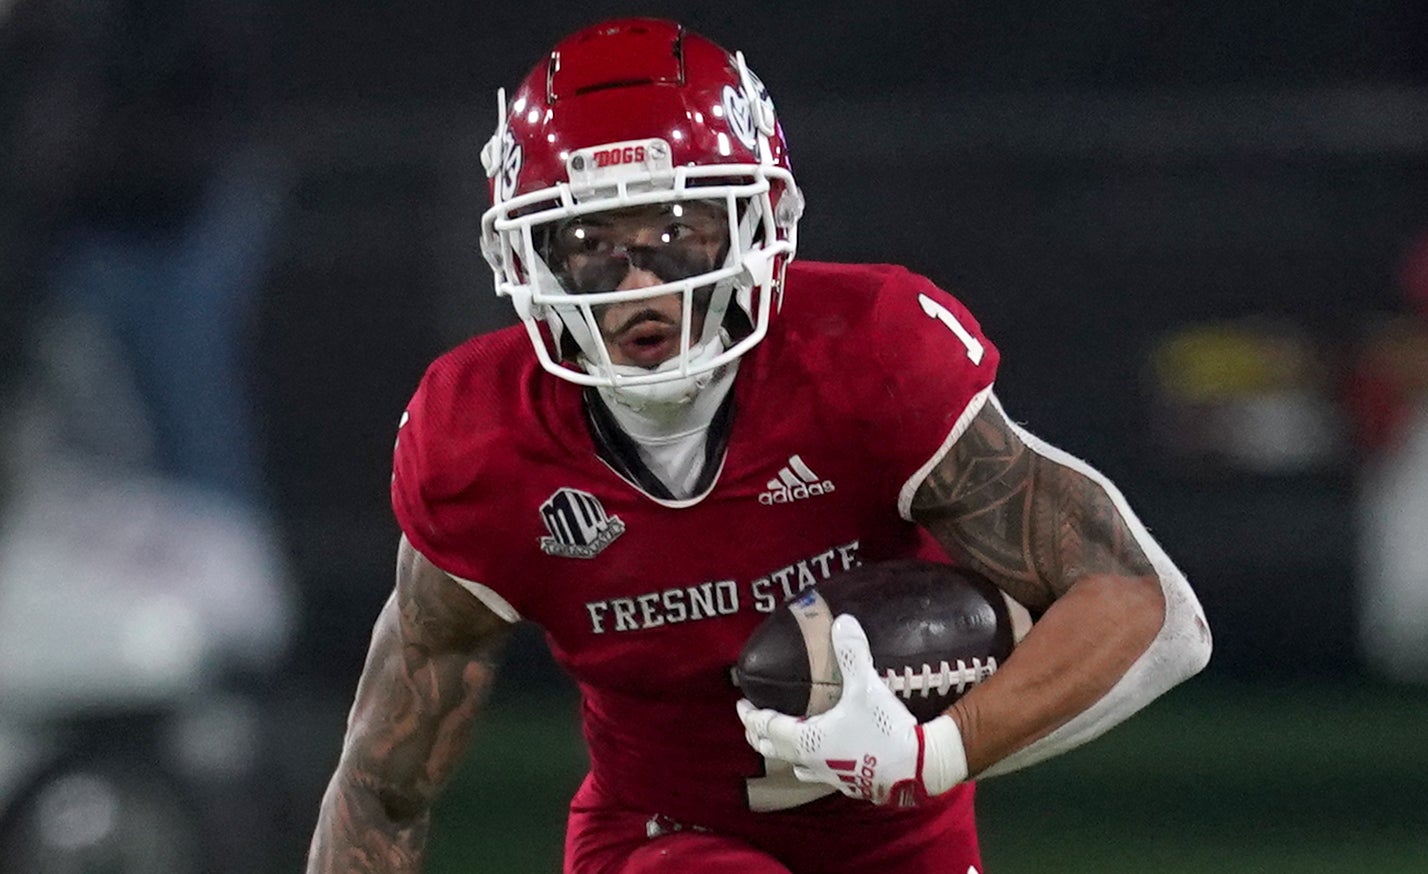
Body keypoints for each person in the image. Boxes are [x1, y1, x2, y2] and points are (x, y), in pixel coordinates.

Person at [306, 18, 1212, 874]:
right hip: (665, 834)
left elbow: (1146, 607)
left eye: (678, 233)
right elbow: (384, 783)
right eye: (588, 243)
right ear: (525, 259)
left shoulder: (869, 358)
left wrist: (938, 752)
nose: (638, 284)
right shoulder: (480, 442)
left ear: (758, 222)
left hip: (898, 835)